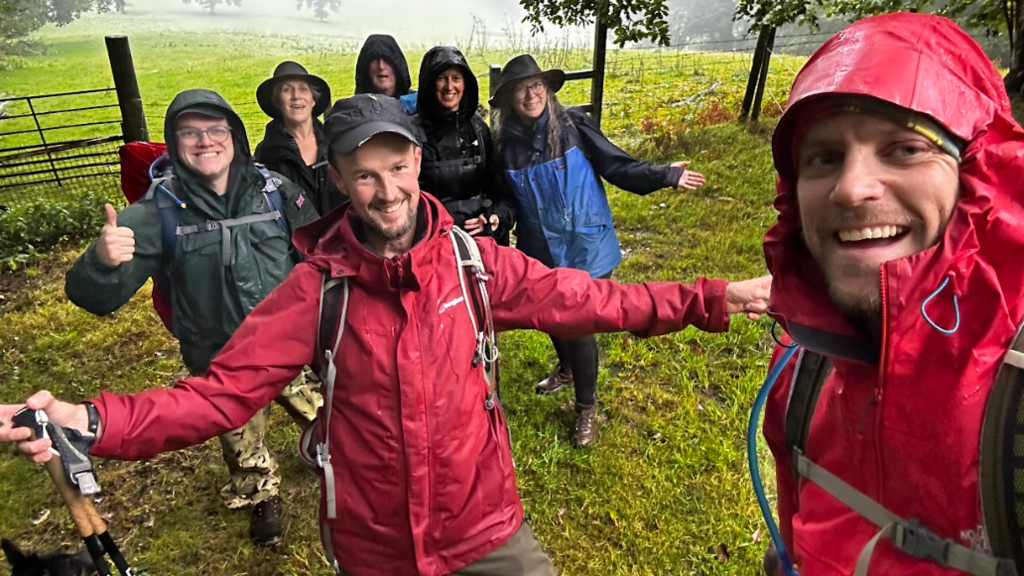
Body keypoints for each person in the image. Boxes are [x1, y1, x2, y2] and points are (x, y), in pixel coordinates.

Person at [0, 94, 771, 576]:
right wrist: (91, 422)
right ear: (337, 180)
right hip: (376, 548)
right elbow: (218, 396)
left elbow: (594, 301)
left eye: (396, 166)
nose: (386, 189)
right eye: (363, 174)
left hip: (486, 527)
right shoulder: (316, 287)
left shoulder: (474, 264)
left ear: (417, 164)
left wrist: (714, 297)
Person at [759, 13, 1024, 575]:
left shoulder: (1015, 401)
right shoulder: (802, 367)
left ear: (977, 171)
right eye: (824, 157)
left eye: (904, 149)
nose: (852, 188)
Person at [62, 88, 323, 546]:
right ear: (174, 142)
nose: (205, 140)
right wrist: (101, 263)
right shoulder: (154, 214)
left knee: (326, 412)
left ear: (235, 136)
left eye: (215, 129)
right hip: (220, 358)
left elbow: (319, 256)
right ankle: (260, 491)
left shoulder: (275, 192)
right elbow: (94, 298)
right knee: (239, 435)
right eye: (190, 132)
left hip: (290, 345)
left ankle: (337, 457)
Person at [490, 54, 708, 447]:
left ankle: (585, 408)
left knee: (579, 325)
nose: (531, 94)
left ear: (549, 90)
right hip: (541, 249)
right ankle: (568, 369)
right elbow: (505, 202)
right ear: (508, 98)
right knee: (549, 318)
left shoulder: (573, 126)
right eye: (521, 88)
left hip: (586, 244)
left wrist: (664, 175)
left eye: (537, 85)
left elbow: (617, 165)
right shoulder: (503, 148)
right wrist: (494, 220)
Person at [413, 45, 514, 244]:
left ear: (465, 84)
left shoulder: (479, 128)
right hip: (433, 240)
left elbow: (500, 190)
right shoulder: (412, 132)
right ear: (429, 84)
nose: (449, 87)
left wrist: (496, 217)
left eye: (456, 78)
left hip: (479, 239)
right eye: (441, 78)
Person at [254, 60, 345, 216]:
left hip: (342, 235)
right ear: (277, 101)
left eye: (303, 89)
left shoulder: (337, 143)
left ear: (313, 99)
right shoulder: (266, 153)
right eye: (287, 90)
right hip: (294, 239)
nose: (296, 96)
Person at [354, 33, 417, 113]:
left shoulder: (418, 107)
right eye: (375, 60)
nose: (381, 67)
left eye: (387, 60)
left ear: (397, 67)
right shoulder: (353, 111)